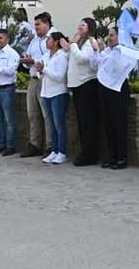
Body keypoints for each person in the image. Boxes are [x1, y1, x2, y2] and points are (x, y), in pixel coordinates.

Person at [92, 27, 131, 169]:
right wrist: (99, 51)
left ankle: (121, 157)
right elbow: (94, 64)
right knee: (107, 122)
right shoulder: (106, 51)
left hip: (118, 87)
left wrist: (103, 53)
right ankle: (111, 156)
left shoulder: (123, 51)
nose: (110, 38)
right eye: (109, 36)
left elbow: (116, 66)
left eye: (112, 35)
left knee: (119, 123)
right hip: (105, 87)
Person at [63, 17, 101, 167]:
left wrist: (72, 44)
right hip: (77, 85)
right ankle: (85, 151)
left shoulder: (90, 43)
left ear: (90, 28)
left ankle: (90, 154)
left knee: (88, 122)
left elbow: (81, 59)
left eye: (83, 25)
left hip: (86, 85)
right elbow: (71, 57)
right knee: (82, 121)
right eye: (79, 24)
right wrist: (70, 46)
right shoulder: (79, 43)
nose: (79, 26)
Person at [19, 12, 57, 158]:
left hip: (46, 79)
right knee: (32, 113)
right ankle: (34, 144)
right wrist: (28, 61)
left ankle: (50, 145)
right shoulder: (34, 40)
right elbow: (30, 57)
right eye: (35, 25)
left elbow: (50, 58)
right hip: (33, 78)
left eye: (38, 24)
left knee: (47, 114)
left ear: (47, 24)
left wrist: (33, 61)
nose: (36, 28)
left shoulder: (53, 38)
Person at [38, 32, 71, 165]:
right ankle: (54, 150)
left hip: (58, 93)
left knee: (59, 124)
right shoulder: (46, 55)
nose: (47, 42)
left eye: (49, 39)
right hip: (46, 92)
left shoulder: (61, 56)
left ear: (56, 42)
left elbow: (59, 76)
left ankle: (62, 152)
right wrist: (40, 71)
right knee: (51, 124)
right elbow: (41, 75)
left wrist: (44, 69)